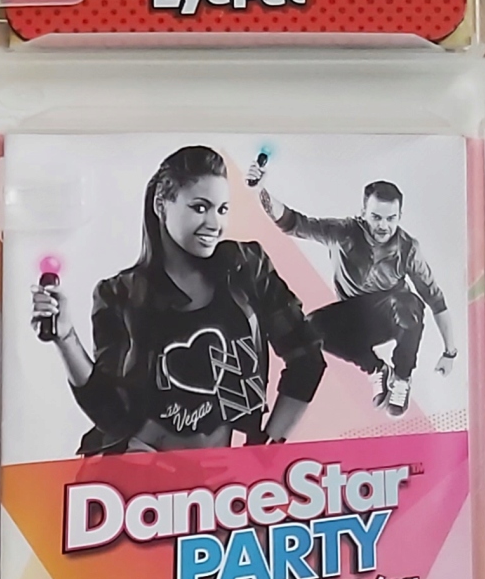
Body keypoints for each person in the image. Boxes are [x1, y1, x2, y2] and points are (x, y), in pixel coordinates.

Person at [29, 146, 327, 455]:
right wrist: (66, 339)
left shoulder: (246, 267)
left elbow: (307, 358)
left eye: (222, 209)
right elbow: (112, 414)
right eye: (200, 207)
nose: (214, 223)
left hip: (221, 472)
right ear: (161, 204)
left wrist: (265, 451)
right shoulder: (120, 293)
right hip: (139, 465)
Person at [251, 165, 461, 415]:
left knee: (409, 303)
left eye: (391, 219)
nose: (383, 226)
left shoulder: (408, 248)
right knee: (310, 328)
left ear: (399, 216)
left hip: (394, 317)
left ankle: (401, 379)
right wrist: (260, 189)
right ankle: (376, 369)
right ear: (363, 213)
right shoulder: (344, 232)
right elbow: (293, 223)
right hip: (356, 319)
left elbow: (437, 301)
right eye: (376, 217)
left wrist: (450, 353)